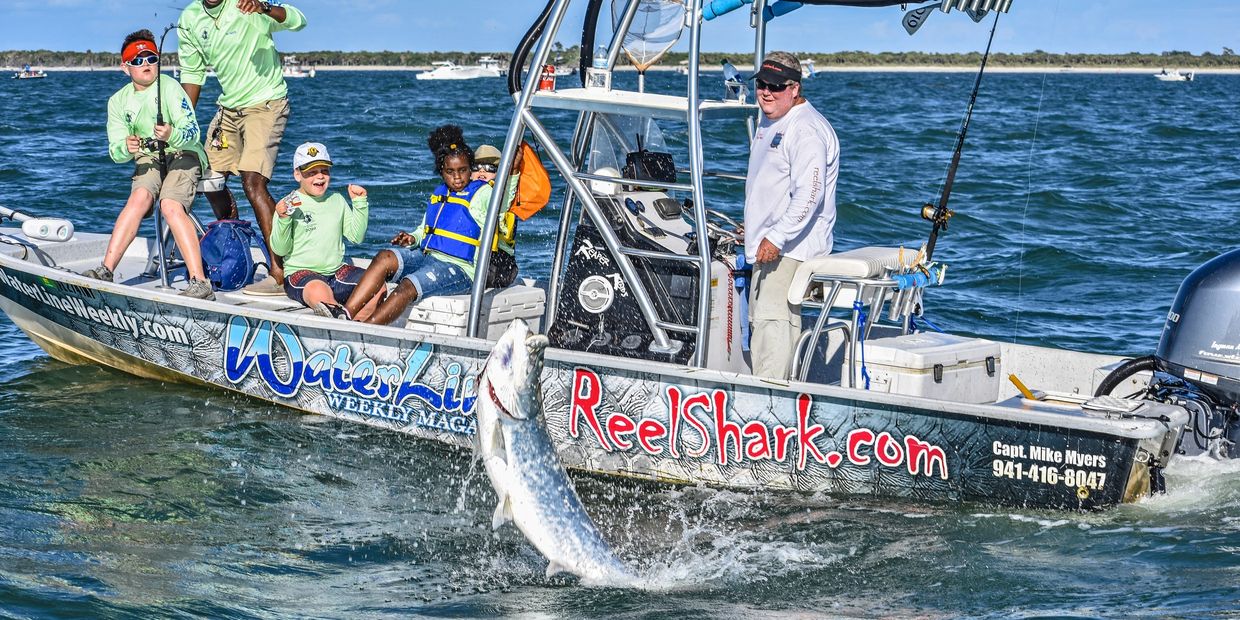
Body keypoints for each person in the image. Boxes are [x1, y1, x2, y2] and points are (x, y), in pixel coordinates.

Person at [177, 0, 307, 296]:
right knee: (209, 179)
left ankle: (280, 272)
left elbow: (298, 20)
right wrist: (183, 124)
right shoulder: (190, 18)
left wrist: (263, 8)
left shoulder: (249, 3)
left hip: (267, 103)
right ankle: (233, 242)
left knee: (253, 182)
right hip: (229, 109)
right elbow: (193, 74)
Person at [82, 29, 214, 301]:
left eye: (151, 58)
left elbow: (193, 132)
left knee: (169, 204)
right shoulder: (118, 102)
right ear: (124, 67)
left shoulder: (171, 87)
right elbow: (115, 151)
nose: (145, 64)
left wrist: (171, 135)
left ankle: (200, 282)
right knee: (140, 198)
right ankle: (106, 269)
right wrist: (125, 147)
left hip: (183, 154)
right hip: (149, 158)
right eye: (137, 59)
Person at [341, 125, 520, 324]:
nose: (458, 177)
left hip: (461, 269)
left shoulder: (483, 193)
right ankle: (344, 314)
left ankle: (367, 329)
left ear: (470, 169)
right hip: (428, 257)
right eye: (451, 172)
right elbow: (423, 230)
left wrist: (512, 173)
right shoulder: (439, 194)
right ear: (441, 172)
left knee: (408, 286)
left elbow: (503, 204)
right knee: (385, 257)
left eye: (463, 170)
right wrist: (412, 238)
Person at [742, 51, 839, 379]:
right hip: (771, 244)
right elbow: (771, 184)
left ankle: (769, 405)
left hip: (791, 250)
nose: (766, 92)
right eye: (761, 84)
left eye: (776, 86)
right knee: (762, 325)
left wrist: (777, 236)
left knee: (774, 328)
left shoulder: (805, 129)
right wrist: (755, 227)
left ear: (794, 89)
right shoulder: (772, 120)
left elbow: (810, 195)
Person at [270, 142, 382, 319]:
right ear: (297, 174)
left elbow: (356, 237)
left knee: (376, 284)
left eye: (324, 171)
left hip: (337, 271)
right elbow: (280, 249)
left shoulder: (337, 199)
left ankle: (358, 328)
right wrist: (283, 219)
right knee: (318, 290)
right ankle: (337, 317)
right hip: (302, 274)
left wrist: (360, 204)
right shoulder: (289, 203)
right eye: (312, 172)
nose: (320, 177)